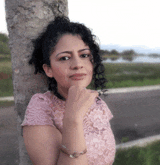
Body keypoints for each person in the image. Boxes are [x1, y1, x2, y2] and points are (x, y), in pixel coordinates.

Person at [21, 16, 116, 165]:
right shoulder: (42, 107)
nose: (78, 64)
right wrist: (73, 119)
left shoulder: (96, 102)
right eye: (65, 58)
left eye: (84, 55)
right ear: (48, 69)